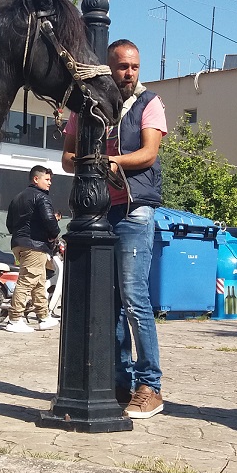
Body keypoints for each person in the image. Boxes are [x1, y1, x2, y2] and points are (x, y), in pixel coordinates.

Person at [63, 39, 168, 419]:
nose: (129, 73)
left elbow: (149, 153)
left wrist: (111, 161)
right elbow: (67, 157)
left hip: (135, 209)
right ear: (109, 68)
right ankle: (121, 381)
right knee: (111, 302)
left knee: (134, 297)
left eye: (134, 67)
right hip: (100, 210)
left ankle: (150, 386)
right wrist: (89, 161)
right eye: (123, 66)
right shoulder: (86, 105)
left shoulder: (148, 102)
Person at [4, 165, 60, 333]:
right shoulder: (42, 197)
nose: (50, 183)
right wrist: (54, 234)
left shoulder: (17, 198)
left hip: (19, 244)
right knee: (27, 281)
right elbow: (50, 220)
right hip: (35, 245)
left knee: (39, 282)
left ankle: (44, 317)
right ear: (36, 179)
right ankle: (14, 319)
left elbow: (9, 224)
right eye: (47, 179)